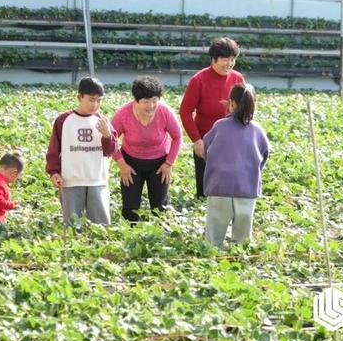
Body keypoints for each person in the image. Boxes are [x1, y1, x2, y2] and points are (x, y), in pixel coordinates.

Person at [203, 83, 270, 247]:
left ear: (231, 103)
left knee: (213, 239)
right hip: (246, 189)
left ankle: (212, 262)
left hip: (219, 187)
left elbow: (206, 148)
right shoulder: (258, 131)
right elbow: (265, 154)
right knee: (242, 241)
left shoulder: (220, 126)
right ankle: (239, 262)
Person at [45, 77, 118, 226]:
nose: (95, 105)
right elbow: (54, 149)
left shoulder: (103, 121)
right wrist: (53, 172)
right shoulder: (63, 120)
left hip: (97, 180)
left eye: (99, 100)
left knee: (100, 226)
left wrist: (107, 135)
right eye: (91, 100)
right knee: (71, 225)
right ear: (79, 96)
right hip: (70, 180)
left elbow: (111, 151)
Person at [179, 37, 245, 198]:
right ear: (213, 59)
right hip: (206, 141)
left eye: (232, 60)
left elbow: (246, 108)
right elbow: (185, 111)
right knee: (205, 190)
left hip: (232, 141)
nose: (229, 64)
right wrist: (197, 140)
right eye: (224, 59)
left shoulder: (238, 79)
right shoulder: (199, 80)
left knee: (229, 189)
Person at [111, 76, 182, 222]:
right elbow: (110, 140)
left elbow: (177, 137)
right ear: (136, 100)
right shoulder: (123, 114)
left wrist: (168, 163)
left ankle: (159, 237)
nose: (150, 106)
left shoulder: (165, 112)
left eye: (154, 101)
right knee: (130, 207)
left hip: (159, 163)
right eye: (146, 102)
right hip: (131, 162)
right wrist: (122, 164)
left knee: (160, 207)